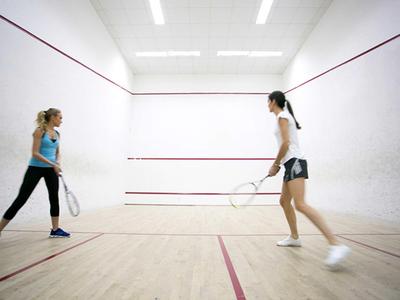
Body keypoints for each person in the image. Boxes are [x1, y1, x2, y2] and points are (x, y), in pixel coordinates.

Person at [267, 91, 350, 268]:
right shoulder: (283, 116)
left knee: (301, 204)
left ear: (273, 101)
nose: (267, 105)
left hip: (295, 161)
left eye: (268, 101)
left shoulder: (282, 115)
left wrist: (275, 164)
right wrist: (280, 164)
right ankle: (295, 237)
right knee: (284, 201)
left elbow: (286, 143)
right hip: (290, 163)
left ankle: (336, 244)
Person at [0, 108, 70, 238]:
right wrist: (52, 163)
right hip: (35, 168)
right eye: (60, 118)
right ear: (53, 117)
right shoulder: (39, 131)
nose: (61, 120)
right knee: (21, 199)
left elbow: (58, 153)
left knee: (54, 198)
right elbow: (35, 153)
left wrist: (57, 163)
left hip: (51, 170)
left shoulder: (57, 134)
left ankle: (55, 229)